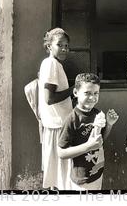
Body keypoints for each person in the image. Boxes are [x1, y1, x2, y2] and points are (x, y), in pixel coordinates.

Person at [58, 73, 119, 190]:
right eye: (87, 93)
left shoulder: (97, 113)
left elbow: (99, 141)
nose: (92, 97)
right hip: (82, 180)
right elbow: (61, 153)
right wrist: (88, 146)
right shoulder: (72, 119)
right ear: (76, 93)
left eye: (96, 93)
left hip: (97, 171)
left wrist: (110, 124)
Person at [38, 27, 74, 190]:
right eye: (60, 45)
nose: (64, 49)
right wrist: (73, 90)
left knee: (60, 176)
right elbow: (49, 98)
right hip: (57, 128)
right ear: (49, 47)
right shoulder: (51, 63)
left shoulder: (53, 64)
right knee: (63, 177)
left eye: (67, 45)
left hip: (57, 125)